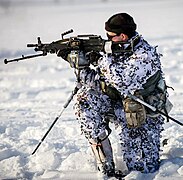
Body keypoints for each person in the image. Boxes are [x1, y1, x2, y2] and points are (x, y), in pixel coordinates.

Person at [58, 13, 171, 178]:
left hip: (143, 116)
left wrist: (98, 59)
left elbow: (121, 81)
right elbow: (100, 83)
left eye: (110, 36)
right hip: (119, 106)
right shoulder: (115, 51)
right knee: (85, 100)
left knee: (142, 172)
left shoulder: (145, 56)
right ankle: (105, 163)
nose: (107, 40)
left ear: (123, 36)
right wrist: (79, 65)